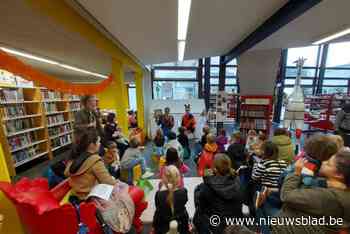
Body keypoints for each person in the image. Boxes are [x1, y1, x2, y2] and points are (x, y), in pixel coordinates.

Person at [269, 149, 350, 234]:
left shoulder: (330, 196)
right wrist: (325, 183)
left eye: (328, 164)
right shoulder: (339, 190)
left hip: (285, 229)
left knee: (262, 206)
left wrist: (296, 173)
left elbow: (286, 195)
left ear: (339, 175)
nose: (323, 162)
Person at [194, 154, 243, 234]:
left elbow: (201, 207)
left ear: (215, 169)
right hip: (235, 222)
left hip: (217, 225)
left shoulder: (208, 187)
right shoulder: (237, 180)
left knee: (199, 214)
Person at [64, 128, 116, 200]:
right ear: (92, 144)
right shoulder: (95, 161)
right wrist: (115, 181)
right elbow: (109, 182)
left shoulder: (74, 157)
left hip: (76, 197)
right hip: (91, 198)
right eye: (98, 142)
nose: (100, 144)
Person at [252, 141, 288, 218]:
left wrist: (256, 164)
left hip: (267, 194)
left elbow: (254, 177)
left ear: (264, 152)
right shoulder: (283, 163)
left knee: (263, 213)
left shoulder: (264, 163)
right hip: (280, 193)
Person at [152, 165, 190, 234]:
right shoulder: (183, 192)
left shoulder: (159, 194)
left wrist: (154, 226)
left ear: (163, 179)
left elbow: (158, 208)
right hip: (181, 225)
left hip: (163, 226)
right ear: (178, 178)